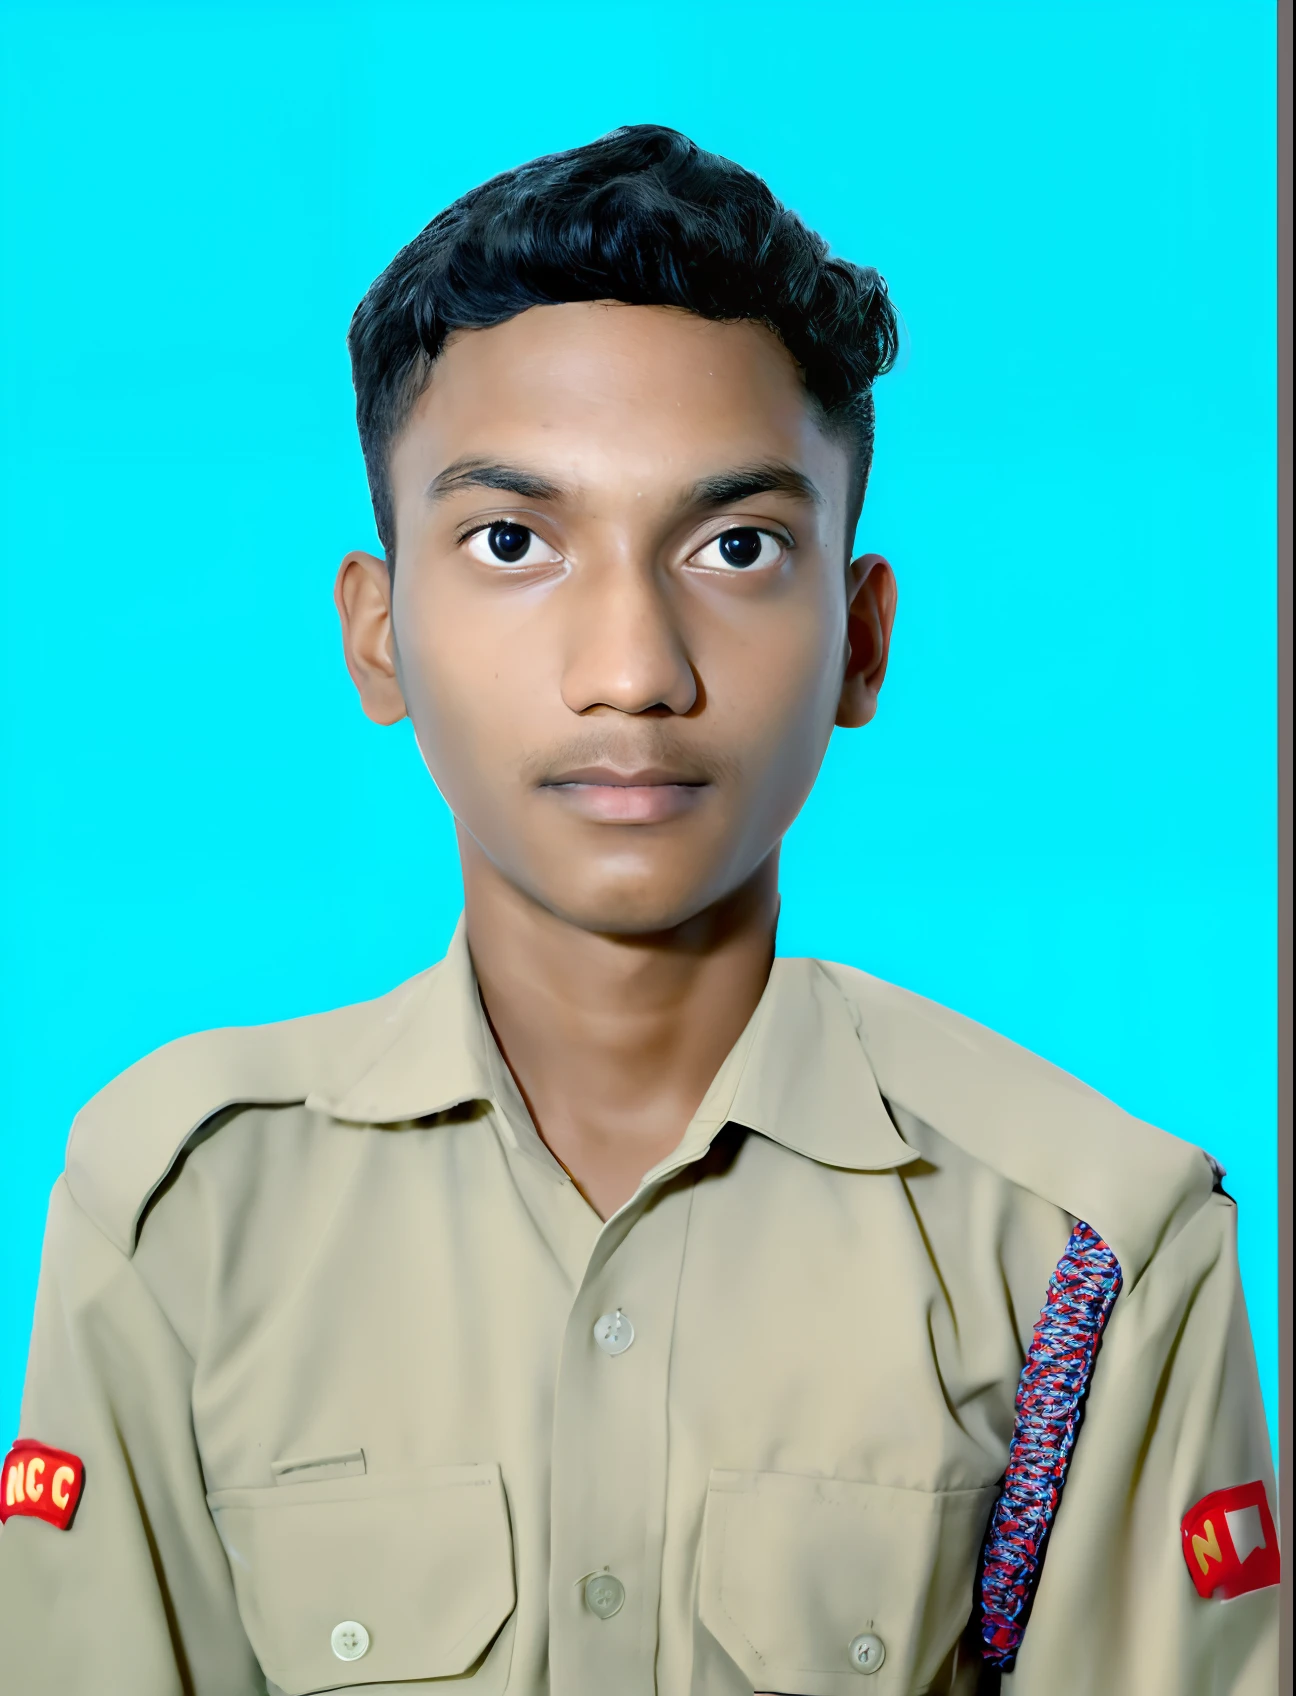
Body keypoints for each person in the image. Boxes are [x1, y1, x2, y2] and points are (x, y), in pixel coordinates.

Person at [0, 125, 1278, 1696]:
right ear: (379, 632)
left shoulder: (1093, 1244)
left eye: (736, 547)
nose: (632, 667)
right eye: (513, 542)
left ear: (861, 640)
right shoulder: (178, 1210)